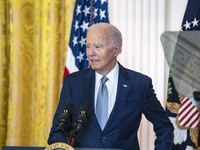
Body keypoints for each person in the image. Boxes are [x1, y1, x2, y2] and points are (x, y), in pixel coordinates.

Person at [48, 23, 174, 150]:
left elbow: (164, 127)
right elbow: (58, 130)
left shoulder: (139, 84)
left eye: (98, 47)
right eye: (88, 46)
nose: (91, 53)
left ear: (116, 49)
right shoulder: (73, 82)